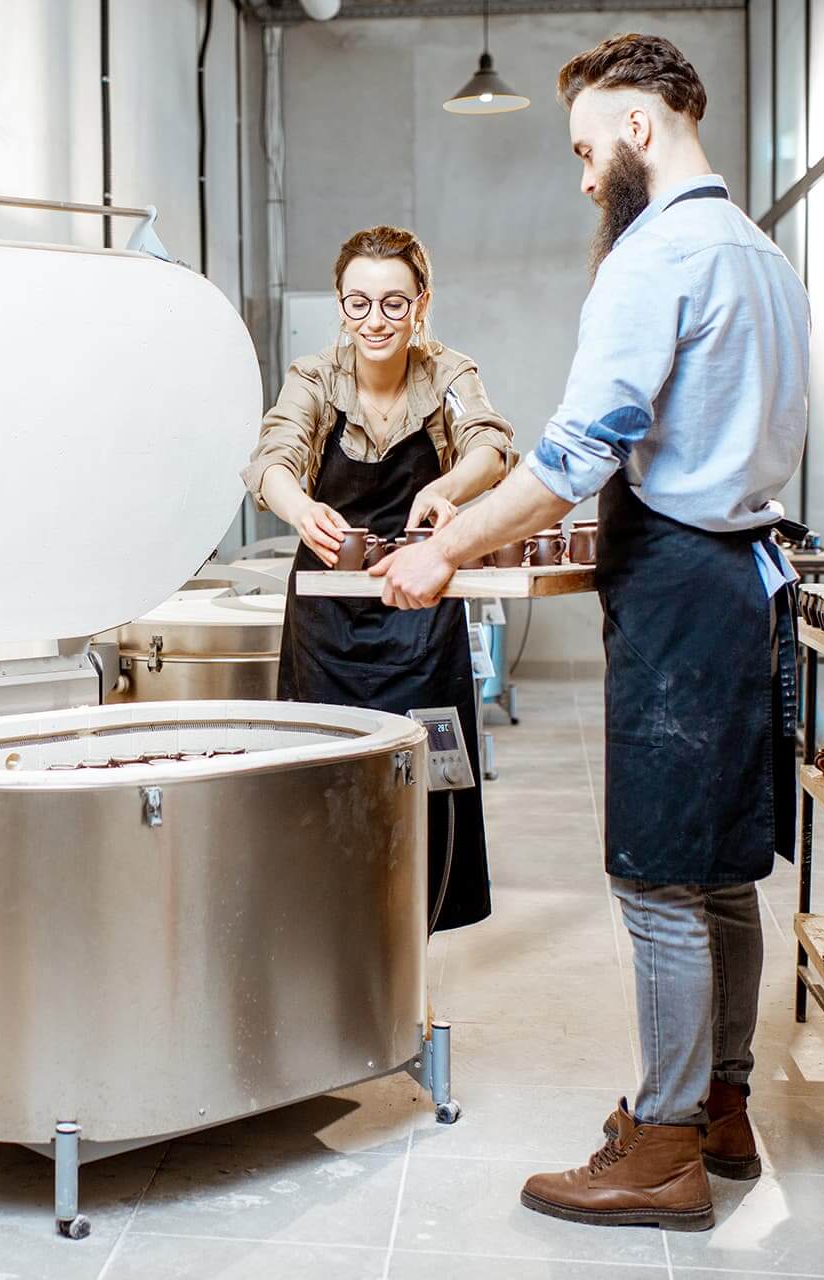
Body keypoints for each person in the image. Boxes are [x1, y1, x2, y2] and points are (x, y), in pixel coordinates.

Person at [373, 34, 810, 1231]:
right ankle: (722, 1109)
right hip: (749, 579)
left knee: (657, 877)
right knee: (721, 872)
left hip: (680, 589)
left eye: (583, 148)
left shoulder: (653, 252)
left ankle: (662, 1149)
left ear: (638, 126)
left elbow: (578, 451)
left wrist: (446, 548)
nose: (581, 179)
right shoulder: (765, 255)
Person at [244, 225, 516, 932]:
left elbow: (490, 447)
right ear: (340, 304)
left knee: (425, 789)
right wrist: (301, 507)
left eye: (394, 303)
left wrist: (448, 488)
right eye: (358, 303)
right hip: (327, 627)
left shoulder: (446, 374)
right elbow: (273, 460)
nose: (376, 321)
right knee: (324, 785)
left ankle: (410, 944)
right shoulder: (314, 377)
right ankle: (332, 949)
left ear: (421, 304)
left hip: (420, 614)